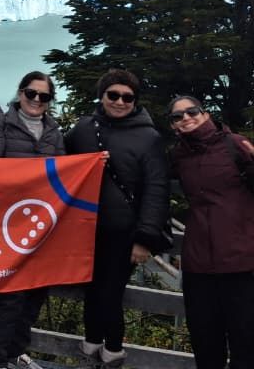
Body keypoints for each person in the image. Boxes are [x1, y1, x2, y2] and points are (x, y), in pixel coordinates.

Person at [167, 95, 254, 369]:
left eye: (192, 111)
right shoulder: (178, 155)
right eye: (177, 116)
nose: (186, 118)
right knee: (206, 348)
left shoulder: (234, 144)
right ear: (173, 125)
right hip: (199, 267)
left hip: (244, 263)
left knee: (246, 349)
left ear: (205, 113)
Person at [64, 69, 170, 368]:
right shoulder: (84, 129)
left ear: (135, 101)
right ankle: (93, 345)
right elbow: (57, 160)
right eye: (114, 95)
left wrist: (144, 238)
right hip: (85, 230)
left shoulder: (149, 137)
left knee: (111, 293)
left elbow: (156, 188)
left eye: (128, 97)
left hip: (124, 234)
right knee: (91, 289)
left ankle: (112, 351)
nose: (120, 102)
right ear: (103, 95)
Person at [0, 71, 65, 369]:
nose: (37, 100)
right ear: (20, 92)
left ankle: (16, 353)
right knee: (9, 296)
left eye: (44, 96)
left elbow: (65, 173)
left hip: (42, 225)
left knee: (36, 290)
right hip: (7, 223)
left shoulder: (53, 131)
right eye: (31, 93)